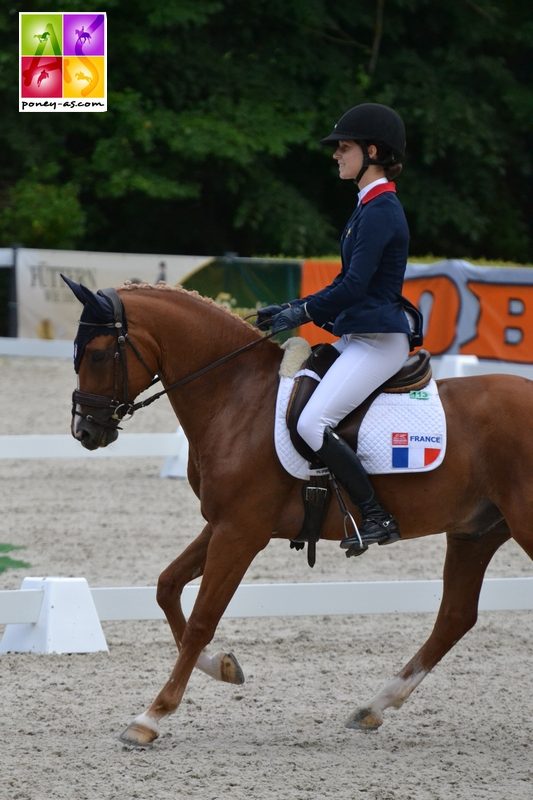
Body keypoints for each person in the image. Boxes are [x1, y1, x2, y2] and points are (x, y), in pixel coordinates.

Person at [257, 102, 423, 554]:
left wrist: (302, 312)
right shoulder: (366, 206)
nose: (337, 154)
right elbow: (347, 286)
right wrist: (294, 307)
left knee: (313, 422)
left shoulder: (381, 209)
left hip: (379, 343)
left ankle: (376, 514)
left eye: (344, 147)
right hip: (359, 336)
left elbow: (353, 286)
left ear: (372, 151)